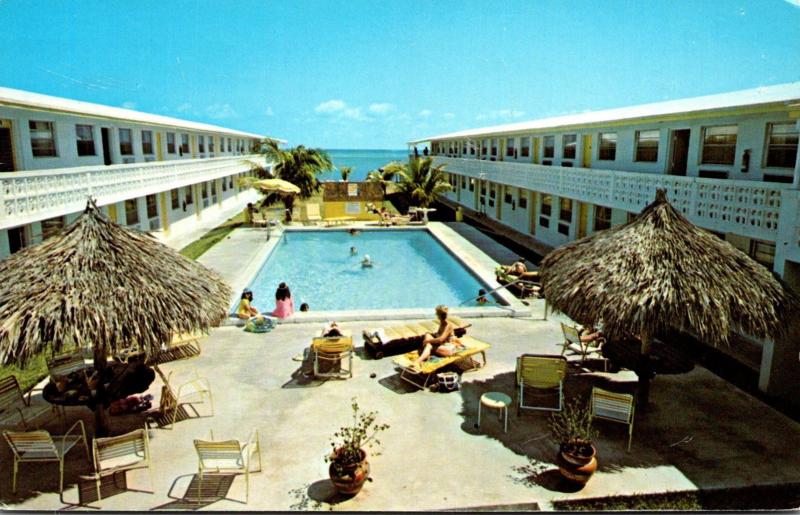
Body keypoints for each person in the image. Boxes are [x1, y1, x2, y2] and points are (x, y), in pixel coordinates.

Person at [411, 305, 463, 369]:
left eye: (436, 313)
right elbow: (438, 337)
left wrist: (428, 341)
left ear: (438, 315)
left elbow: (441, 339)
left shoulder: (448, 325)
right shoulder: (442, 323)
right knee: (427, 335)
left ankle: (418, 361)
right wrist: (430, 337)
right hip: (442, 346)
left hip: (449, 349)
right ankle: (426, 354)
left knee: (429, 345)